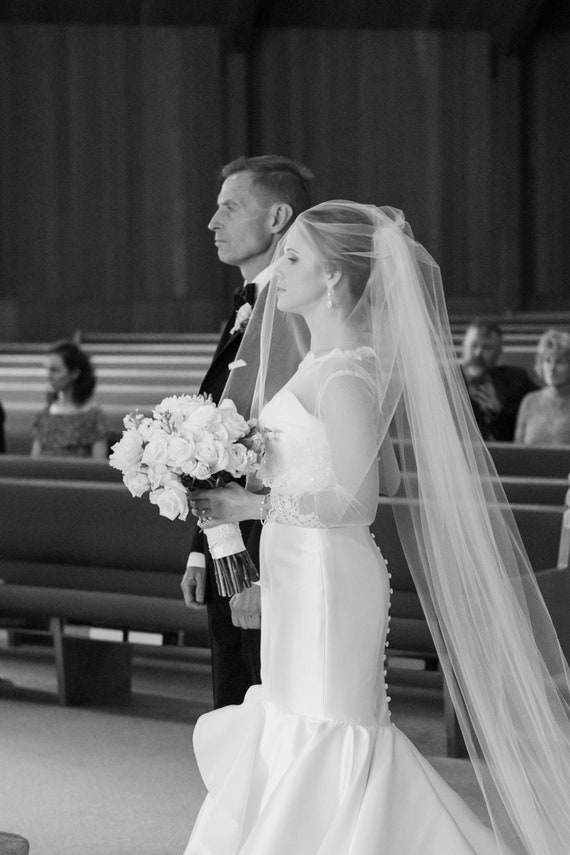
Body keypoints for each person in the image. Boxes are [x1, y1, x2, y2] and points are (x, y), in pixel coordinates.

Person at [184, 202, 570, 854]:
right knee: (295, 717)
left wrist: (249, 508)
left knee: (331, 726)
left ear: (334, 278)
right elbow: (385, 475)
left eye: (297, 257)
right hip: (297, 568)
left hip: (331, 580)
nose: (282, 268)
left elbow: (360, 502)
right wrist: (246, 464)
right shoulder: (325, 363)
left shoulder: (343, 373)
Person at [180, 155, 314, 709]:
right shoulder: (247, 306)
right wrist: (202, 548)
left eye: (229, 208)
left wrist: (255, 571)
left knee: (263, 700)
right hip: (226, 542)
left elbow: (285, 451)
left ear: (278, 216)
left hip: (269, 547)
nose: (213, 223)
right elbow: (221, 438)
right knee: (233, 699)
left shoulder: (297, 310)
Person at [460, 319, 537, 441]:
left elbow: (545, 398)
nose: (478, 353)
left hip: (507, 454)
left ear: (499, 352)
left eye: (486, 348)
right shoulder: (444, 382)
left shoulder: (516, 379)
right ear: (464, 346)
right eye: (474, 345)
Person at [31, 340, 107, 459]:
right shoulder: (44, 415)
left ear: (74, 373)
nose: (48, 375)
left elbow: (98, 468)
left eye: (55, 370)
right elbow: (34, 464)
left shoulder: (94, 416)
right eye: (47, 369)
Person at [515, 328, 570, 445]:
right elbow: (518, 449)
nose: (552, 368)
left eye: (559, 362)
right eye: (548, 361)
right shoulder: (529, 401)